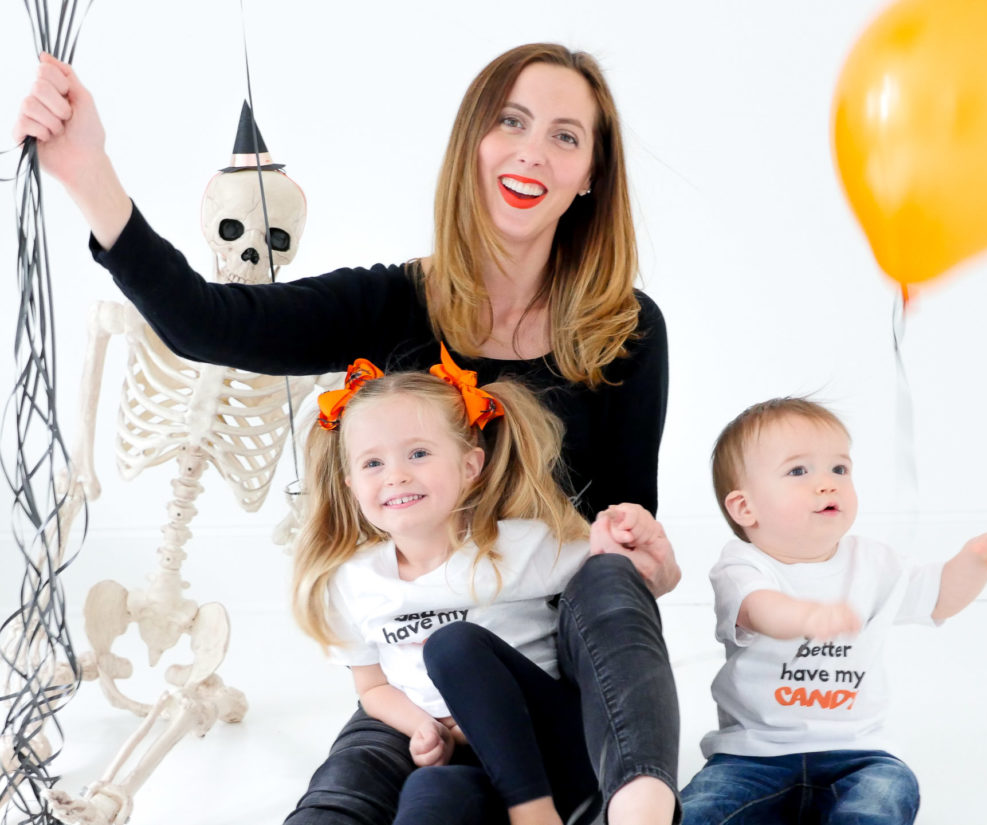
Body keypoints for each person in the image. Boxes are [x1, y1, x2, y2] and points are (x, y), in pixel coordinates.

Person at [14, 43, 681, 824]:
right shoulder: (392, 304)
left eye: (566, 135)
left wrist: (650, 561)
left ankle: (637, 805)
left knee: (604, 578)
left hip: (552, 673)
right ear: (474, 142)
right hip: (419, 683)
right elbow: (207, 322)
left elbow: (623, 541)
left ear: (593, 172)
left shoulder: (625, 332)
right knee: (353, 794)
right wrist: (86, 168)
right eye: (511, 121)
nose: (533, 150)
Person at [295, 349, 670, 825]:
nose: (396, 474)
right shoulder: (352, 581)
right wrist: (424, 729)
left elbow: (612, 593)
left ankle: (538, 814)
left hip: (550, 747)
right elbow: (371, 687)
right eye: (372, 463)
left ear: (471, 466)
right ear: (350, 484)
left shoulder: (518, 547)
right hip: (461, 760)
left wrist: (626, 535)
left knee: (453, 647)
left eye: (418, 453)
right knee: (430, 793)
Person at [680, 397, 987, 825]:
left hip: (858, 753)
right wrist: (807, 618)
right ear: (745, 508)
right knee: (699, 809)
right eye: (798, 471)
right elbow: (760, 610)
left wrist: (977, 559)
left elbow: (939, 596)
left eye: (840, 469)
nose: (827, 484)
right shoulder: (741, 565)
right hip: (752, 758)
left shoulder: (874, 562)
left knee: (887, 793)